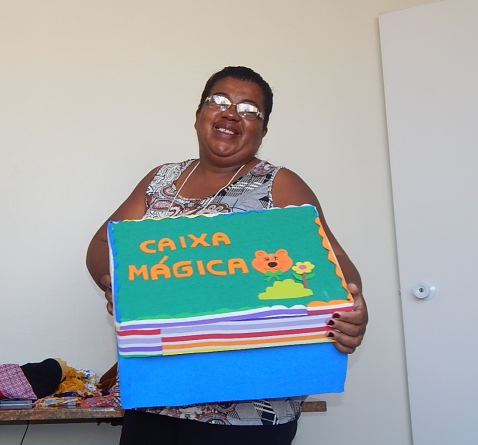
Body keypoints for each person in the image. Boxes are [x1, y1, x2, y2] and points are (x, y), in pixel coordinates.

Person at [86, 66, 368, 445]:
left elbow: (338, 272)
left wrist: (353, 313)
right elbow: (102, 245)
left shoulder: (280, 185)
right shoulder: (160, 180)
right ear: (198, 114)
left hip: (248, 412)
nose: (232, 113)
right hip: (157, 397)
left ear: (263, 131)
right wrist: (121, 287)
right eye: (219, 101)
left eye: (249, 110)